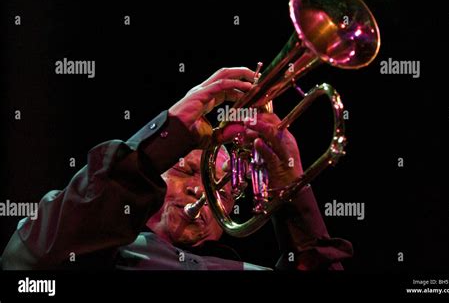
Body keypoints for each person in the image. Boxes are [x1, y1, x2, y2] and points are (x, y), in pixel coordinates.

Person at [1, 67, 353, 270]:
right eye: (185, 172)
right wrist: (167, 132)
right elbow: (24, 261)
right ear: (153, 178)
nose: (201, 190)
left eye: (222, 189)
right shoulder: (92, 249)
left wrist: (291, 190)